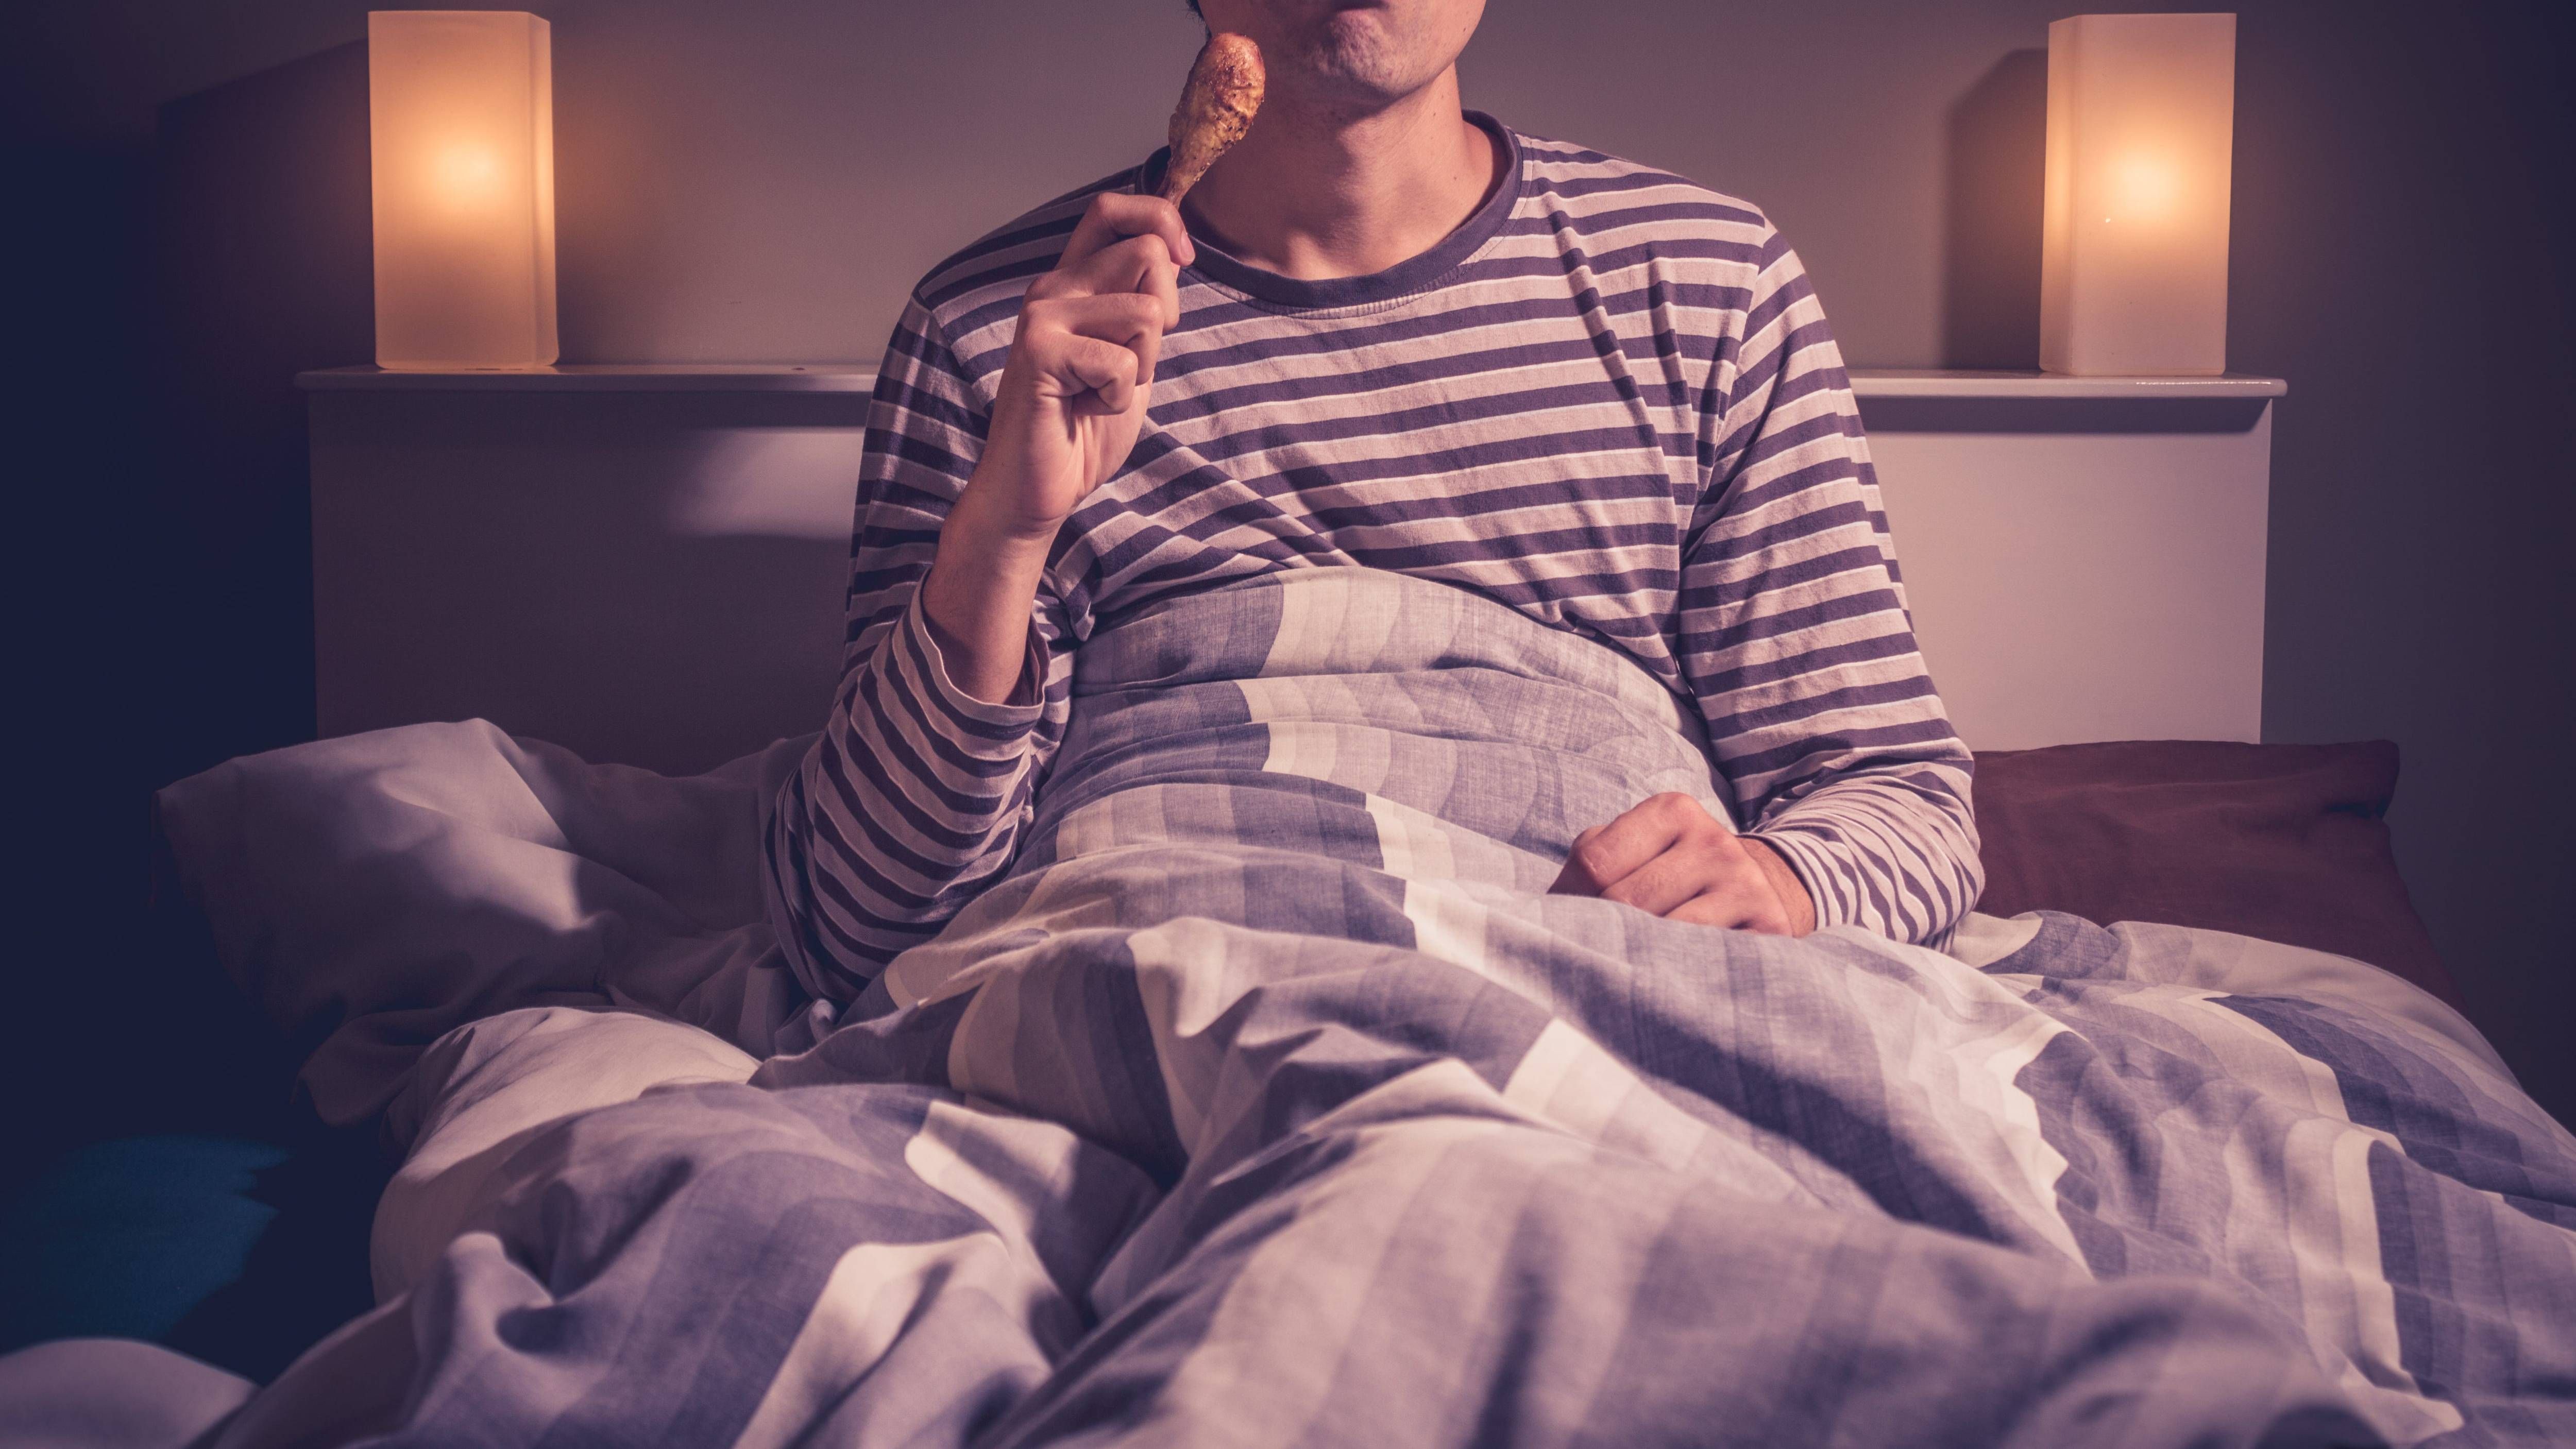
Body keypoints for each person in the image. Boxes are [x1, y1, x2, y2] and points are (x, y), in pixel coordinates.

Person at [763, 0, 1982, 1004]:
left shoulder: (1707, 283)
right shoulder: (1000, 333)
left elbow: (1901, 798)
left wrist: (1785, 880)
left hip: (1588, 978)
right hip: (1174, 971)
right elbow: (855, 922)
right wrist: (1004, 534)